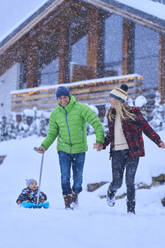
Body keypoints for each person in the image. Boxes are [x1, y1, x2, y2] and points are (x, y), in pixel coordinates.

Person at [94, 84, 165, 214]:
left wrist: (158, 140)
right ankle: (111, 191)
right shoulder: (111, 115)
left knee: (130, 182)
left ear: (118, 99)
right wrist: (102, 144)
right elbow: (111, 134)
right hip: (117, 153)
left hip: (133, 151)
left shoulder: (134, 112)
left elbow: (145, 127)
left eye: (111, 97)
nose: (109, 100)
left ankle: (131, 211)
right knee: (117, 182)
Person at [36, 86, 104, 209]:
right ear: (57, 99)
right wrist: (44, 146)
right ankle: (68, 203)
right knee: (65, 177)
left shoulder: (81, 108)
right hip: (63, 149)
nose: (63, 100)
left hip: (79, 149)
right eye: (60, 98)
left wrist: (99, 140)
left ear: (69, 96)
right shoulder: (55, 114)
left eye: (65, 97)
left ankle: (75, 194)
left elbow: (96, 122)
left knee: (78, 180)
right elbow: (52, 133)